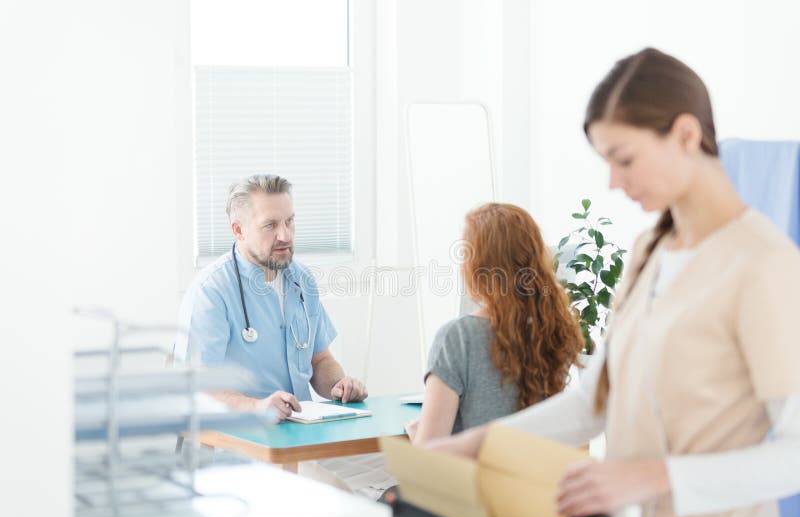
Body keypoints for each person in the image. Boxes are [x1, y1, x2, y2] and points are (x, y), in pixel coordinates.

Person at [427, 48, 800, 517]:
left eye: (623, 159)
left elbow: (792, 455)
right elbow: (593, 402)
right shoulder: (650, 250)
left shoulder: (763, 264)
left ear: (686, 134)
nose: (612, 181)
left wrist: (651, 478)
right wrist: (475, 445)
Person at [175, 174, 367, 419]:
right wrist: (256, 407)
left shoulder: (302, 279)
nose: (285, 235)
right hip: (240, 439)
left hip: (302, 432)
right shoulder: (211, 291)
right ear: (238, 230)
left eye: (289, 222)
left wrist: (339, 385)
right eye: (270, 225)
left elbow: (320, 360)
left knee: (386, 451)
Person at [405, 203, 584, 445]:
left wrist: (417, 435)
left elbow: (428, 457)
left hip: (470, 482)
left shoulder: (457, 338)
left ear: (477, 267)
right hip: (534, 481)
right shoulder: (553, 331)